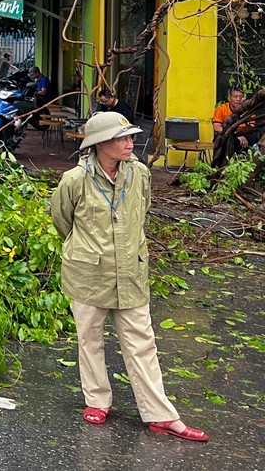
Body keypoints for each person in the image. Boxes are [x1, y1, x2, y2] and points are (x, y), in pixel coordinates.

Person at [50, 112, 208, 442]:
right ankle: (97, 400)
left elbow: (142, 211)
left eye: (130, 136)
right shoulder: (74, 181)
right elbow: (62, 221)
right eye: (122, 138)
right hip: (89, 273)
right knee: (89, 340)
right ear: (100, 144)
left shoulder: (139, 173)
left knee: (142, 342)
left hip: (131, 271)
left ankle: (161, 415)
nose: (129, 142)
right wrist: (90, 248)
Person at [212, 87, 259, 155]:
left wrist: (243, 135)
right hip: (226, 134)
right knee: (232, 140)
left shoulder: (248, 111)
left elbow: (252, 126)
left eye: (241, 97)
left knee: (253, 139)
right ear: (229, 98)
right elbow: (217, 128)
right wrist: (235, 135)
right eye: (235, 96)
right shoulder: (221, 109)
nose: (238, 99)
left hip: (244, 134)